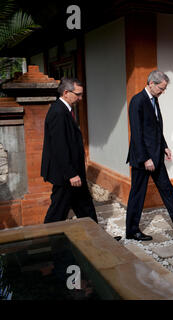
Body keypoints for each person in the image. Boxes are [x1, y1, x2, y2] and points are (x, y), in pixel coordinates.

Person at [41, 78, 120, 240]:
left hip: (74, 171)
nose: (80, 99)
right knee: (57, 211)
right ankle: (47, 241)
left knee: (85, 206)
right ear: (66, 93)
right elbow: (59, 147)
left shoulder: (65, 110)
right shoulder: (57, 112)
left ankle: (99, 240)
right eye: (78, 95)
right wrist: (71, 174)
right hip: (66, 174)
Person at [125, 70, 173, 241]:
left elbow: (156, 128)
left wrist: (165, 146)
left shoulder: (154, 99)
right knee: (137, 194)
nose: (163, 92)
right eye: (161, 88)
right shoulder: (137, 101)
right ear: (151, 83)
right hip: (142, 158)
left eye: (164, 89)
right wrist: (146, 158)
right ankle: (132, 231)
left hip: (156, 154)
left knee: (167, 189)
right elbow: (136, 133)